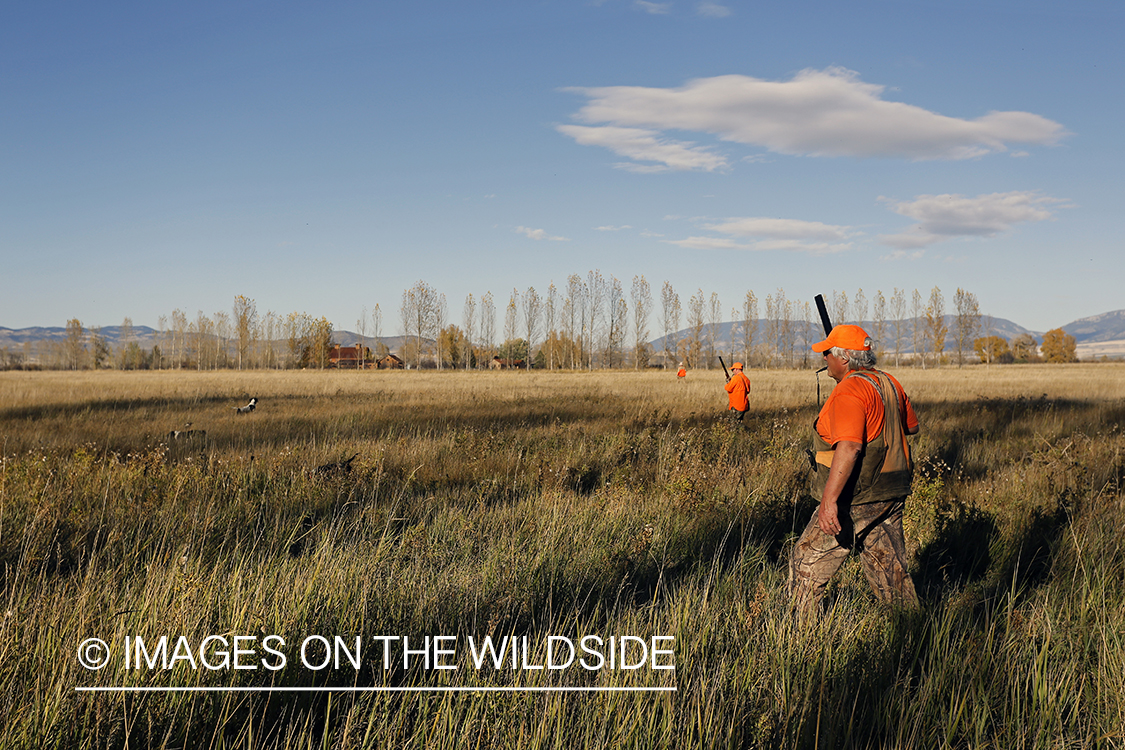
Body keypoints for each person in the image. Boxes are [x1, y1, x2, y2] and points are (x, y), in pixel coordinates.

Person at [788, 324, 920, 618]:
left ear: (844, 358)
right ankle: (913, 636)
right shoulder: (889, 382)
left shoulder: (850, 389)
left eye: (828, 353)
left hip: (861, 494)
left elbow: (849, 449)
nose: (825, 359)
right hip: (893, 490)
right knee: (889, 571)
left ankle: (800, 638)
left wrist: (829, 501)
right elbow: (911, 426)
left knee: (806, 559)